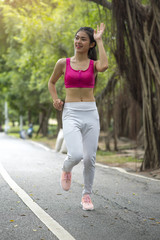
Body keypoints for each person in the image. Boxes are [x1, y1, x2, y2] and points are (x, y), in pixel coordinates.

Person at [48, 23, 108, 211]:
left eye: (83, 39)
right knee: (75, 155)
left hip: (90, 112)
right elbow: (51, 82)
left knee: (90, 158)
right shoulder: (62, 63)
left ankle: (87, 196)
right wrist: (56, 99)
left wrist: (99, 40)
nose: (78, 41)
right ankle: (67, 168)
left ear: (90, 44)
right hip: (71, 112)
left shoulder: (93, 65)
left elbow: (104, 65)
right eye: (77, 38)